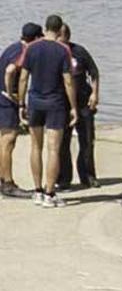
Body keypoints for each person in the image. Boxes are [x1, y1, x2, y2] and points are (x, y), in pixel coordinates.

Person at [17, 15, 77, 208]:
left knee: (36, 147)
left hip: (35, 101)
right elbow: (68, 80)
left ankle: (37, 191)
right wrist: (74, 107)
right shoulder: (63, 50)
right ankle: (50, 193)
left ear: (45, 27)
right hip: (55, 102)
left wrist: (21, 103)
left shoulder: (31, 48)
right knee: (53, 149)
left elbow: (24, 78)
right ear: (60, 30)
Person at [0, 23, 43, 198]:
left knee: (3, 140)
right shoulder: (24, 52)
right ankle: (8, 183)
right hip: (7, 100)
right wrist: (12, 94)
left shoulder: (12, 47)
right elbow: (10, 71)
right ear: (36, 39)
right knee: (8, 141)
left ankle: (3, 180)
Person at [57, 23, 101, 189]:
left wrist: (95, 94)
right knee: (62, 142)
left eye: (62, 38)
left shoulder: (79, 51)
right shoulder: (55, 53)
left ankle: (88, 175)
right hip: (62, 103)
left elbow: (94, 73)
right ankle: (64, 178)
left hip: (83, 101)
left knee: (87, 140)